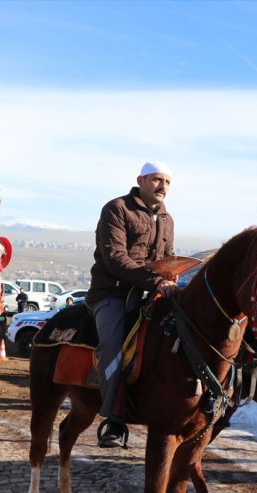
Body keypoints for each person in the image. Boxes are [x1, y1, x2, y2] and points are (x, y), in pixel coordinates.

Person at [86, 161, 180, 448]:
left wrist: (174, 272)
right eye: (156, 179)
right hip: (113, 293)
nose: (162, 185)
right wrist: (154, 281)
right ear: (141, 179)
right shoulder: (116, 208)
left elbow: (167, 255)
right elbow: (115, 258)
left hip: (151, 292)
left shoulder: (167, 218)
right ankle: (113, 419)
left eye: (167, 181)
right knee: (113, 343)